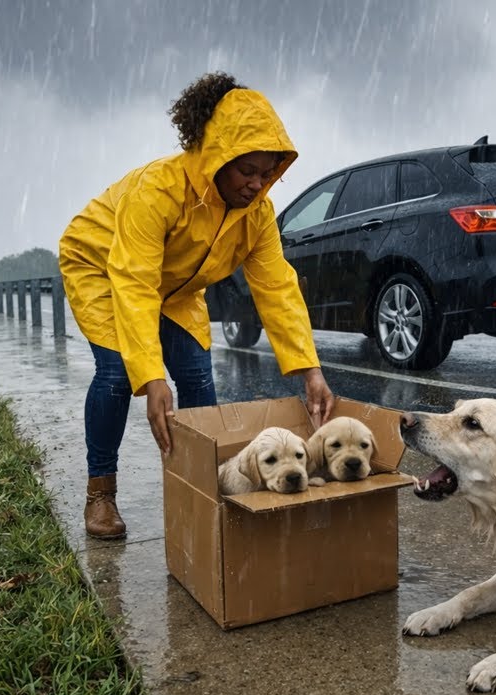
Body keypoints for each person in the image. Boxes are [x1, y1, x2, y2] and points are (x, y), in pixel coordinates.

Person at [58, 71, 335, 540]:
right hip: (103, 268)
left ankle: (200, 485)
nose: (256, 184)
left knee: (197, 378)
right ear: (216, 157)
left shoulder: (257, 215)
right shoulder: (159, 190)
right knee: (116, 375)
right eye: (247, 170)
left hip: (176, 289)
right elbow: (135, 281)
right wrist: (150, 377)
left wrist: (310, 370)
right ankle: (100, 493)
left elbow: (277, 288)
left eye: (267, 173)